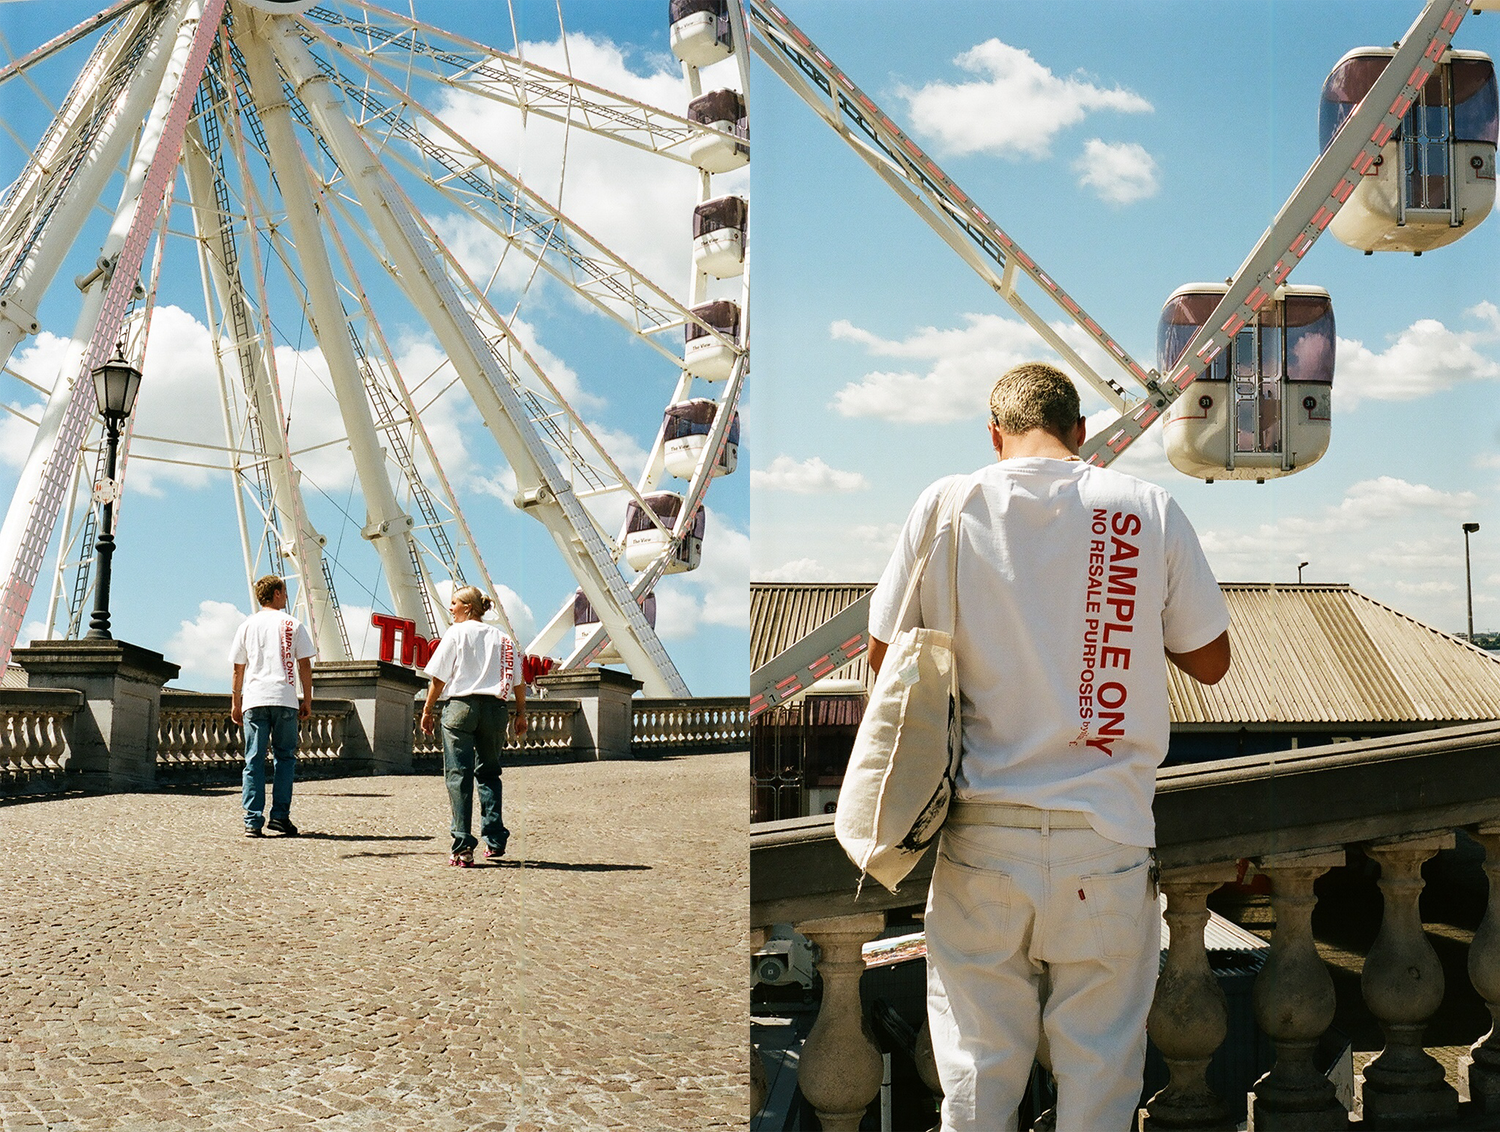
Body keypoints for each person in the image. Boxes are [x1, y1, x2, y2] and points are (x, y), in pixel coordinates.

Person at [867, 363, 1231, 1132]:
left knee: (974, 1066)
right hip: (1107, 834)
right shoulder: (1146, 506)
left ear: (993, 436)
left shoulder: (946, 504)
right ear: (1081, 433)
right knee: (1099, 1072)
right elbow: (1210, 659)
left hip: (981, 834)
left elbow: (885, 663)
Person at [420, 586, 528, 867]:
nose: (450, 608)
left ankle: (462, 845)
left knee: (459, 775)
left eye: (454, 603)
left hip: (461, 709)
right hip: (495, 711)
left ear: (467, 607)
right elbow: (518, 681)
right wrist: (520, 714)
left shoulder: (456, 633)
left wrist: (428, 709)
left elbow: (438, 679)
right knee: (490, 773)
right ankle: (494, 839)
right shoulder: (503, 639)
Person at [229, 574, 316, 838]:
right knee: (284, 759)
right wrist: (307, 698)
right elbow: (304, 665)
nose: (287, 595)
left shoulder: (247, 625)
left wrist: (236, 701)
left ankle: (252, 820)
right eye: (284, 591)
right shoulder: (292, 624)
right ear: (276, 593)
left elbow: (237, 668)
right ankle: (280, 816)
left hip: (255, 699)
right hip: (284, 698)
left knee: (253, 760)